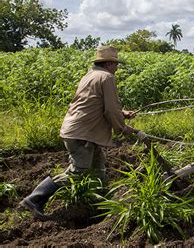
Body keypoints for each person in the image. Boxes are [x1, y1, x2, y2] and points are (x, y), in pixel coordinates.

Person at [20, 45, 140, 220]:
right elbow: (110, 110)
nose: (117, 67)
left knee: (99, 168)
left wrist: (122, 113)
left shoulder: (90, 75)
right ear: (108, 64)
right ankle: (35, 199)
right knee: (79, 171)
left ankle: (103, 207)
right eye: (115, 64)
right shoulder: (107, 77)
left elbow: (94, 103)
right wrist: (122, 128)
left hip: (81, 130)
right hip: (82, 133)